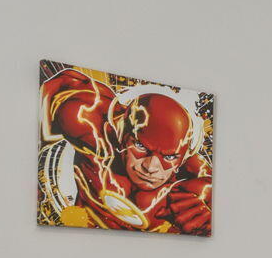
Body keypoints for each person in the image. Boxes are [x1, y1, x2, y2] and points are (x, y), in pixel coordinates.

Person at [40, 66, 212, 234]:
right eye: (140, 146)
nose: (150, 167)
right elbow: (59, 86)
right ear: (121, 132)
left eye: (169, 157)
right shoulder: (90, 122)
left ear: (183, 158)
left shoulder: (198, 183)